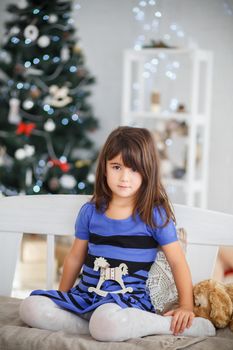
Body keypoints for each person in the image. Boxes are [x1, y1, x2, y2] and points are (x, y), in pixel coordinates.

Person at [19, 126, 215, 341]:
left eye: (134, 169)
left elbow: (177, 262)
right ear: (104, 168)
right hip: (86, 296)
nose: (124, 177)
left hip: (126, 303)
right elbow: (75, 257)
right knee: (30, 307)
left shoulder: (154, 215)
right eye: (116, 167)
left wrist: (185, 306)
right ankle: (94, 327)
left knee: (108, 321)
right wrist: (64, 296)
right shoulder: (90, 211)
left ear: (147, 171)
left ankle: (168, 325)